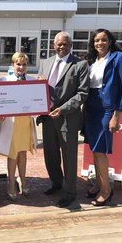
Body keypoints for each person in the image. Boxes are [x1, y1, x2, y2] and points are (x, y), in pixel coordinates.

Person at [37, 31, 90, 208]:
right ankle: (57, 182)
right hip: (48, 117)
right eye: (59, 44)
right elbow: (38, 87)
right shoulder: (45, 63)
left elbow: (82, 93)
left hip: (67, 117)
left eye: (65, 44)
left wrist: (63, 108)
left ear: (71, 45)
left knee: (68, 156)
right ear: (53, 45)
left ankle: (70, 192)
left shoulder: (80, 64)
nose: (62, 47)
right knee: (50, 154)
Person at [83, 28, 122, 206]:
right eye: (96, 41)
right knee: (94, 149)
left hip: (106, 109)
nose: (100, 43)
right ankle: (98, 183)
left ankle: (106, 190)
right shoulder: (92, 61)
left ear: (110, 41)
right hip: (91, 107)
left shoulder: (120, 58)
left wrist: (116, 115)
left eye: (103, 40)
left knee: (100, 149)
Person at [0, 52, 38, 201]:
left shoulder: (33, 80)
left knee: (23, 153)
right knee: (12, 153)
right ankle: (11, 183)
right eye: (18, 64)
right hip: (12, 122)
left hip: (26, 122)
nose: (21, 67)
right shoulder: (5, 80)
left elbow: (37, 100)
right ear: (12, 65)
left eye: (24, 64)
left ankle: (23, 179)